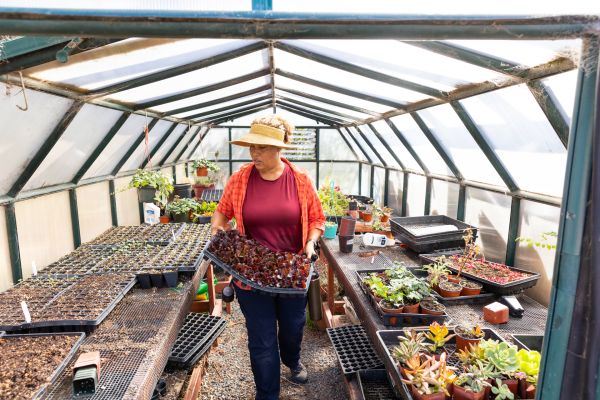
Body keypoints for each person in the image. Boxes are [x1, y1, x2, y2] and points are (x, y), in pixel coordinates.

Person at [211, 115, 325, 400]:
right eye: (252, 147)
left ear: (279, 149)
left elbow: (317, 219)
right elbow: (222, 212)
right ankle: (267, 394)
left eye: (261, 147)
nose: (254, 153)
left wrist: (311, 242)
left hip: (292, 272)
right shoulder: (240, 180)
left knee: (292, 328)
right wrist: (220, 230)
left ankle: (292, 360)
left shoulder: (299, 180)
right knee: (261, 340)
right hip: (251, 274)